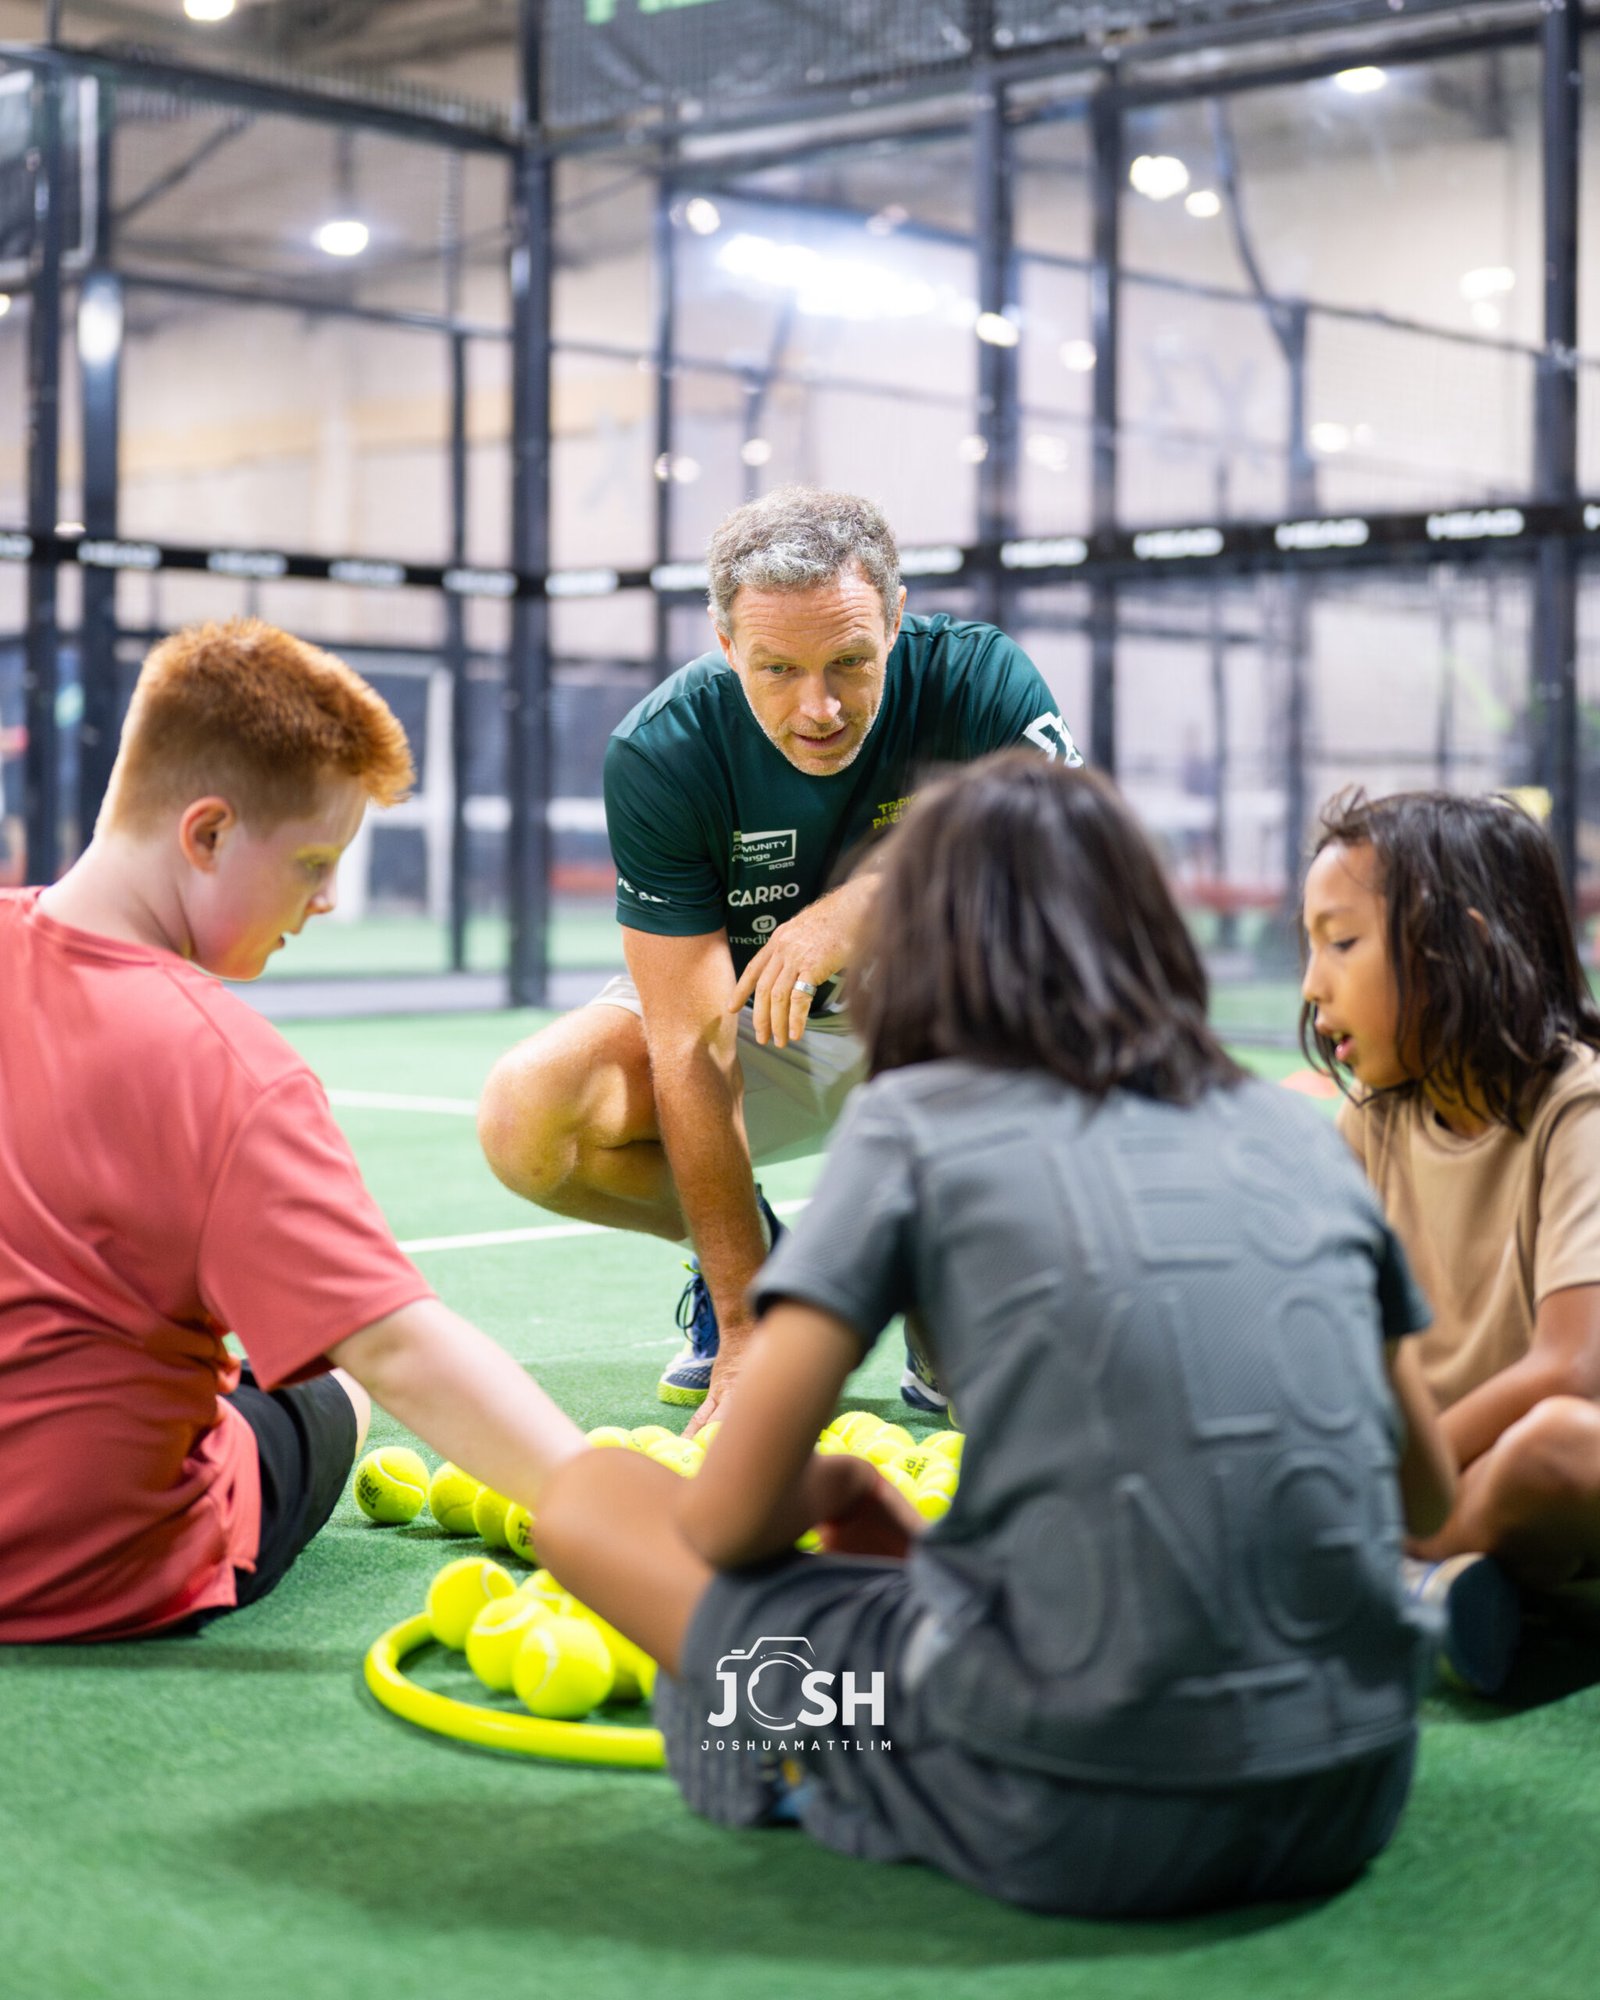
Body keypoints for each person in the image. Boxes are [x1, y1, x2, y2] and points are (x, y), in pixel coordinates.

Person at [532, 753, 1454, 1918]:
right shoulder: (1296, 1130)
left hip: (1068, 1807)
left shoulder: (914, 1122)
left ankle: (804, 1763)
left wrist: (825, 1486)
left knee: (593, 1507)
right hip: (1353, 1786)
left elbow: (719, 1518)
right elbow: (1422, 1496)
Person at [0, 619, 583, 1643]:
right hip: (96, 1574)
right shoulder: (234, 1067)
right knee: (337, 1377)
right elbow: (402, 1348)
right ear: (209, 833)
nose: (323, 900)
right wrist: (628, 1509)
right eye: (315, 860)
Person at [477, 488, 1082, 1427]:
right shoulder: (663, 750)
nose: (820, 708)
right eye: (777, 670)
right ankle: (775, 1272)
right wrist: (749, 1319)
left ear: (895, 617)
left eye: (850, 660)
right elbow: (691, 1042)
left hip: (949, 1030)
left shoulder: (980, 680)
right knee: (528, 1114)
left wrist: (868, 904)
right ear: (726, 648)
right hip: (769, 1029)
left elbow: (1078, 856)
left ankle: (946, 1275)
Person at [1302, 787, 1600, 1692]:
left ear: (1457, 946)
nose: (1313, 984)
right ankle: (1448, 1585)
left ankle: (1374, 1578)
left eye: (1342, 942)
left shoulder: (1576, 1110)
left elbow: (1573, 1367)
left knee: (1553, 1442)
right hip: (1442, 1494)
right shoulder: (1371, 1131)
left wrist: (1397, 1492)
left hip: (1544, 1475)